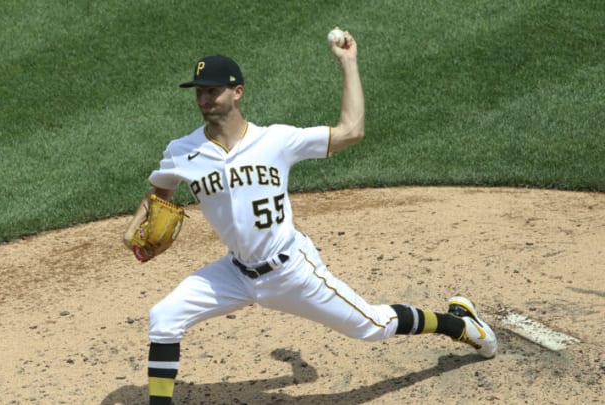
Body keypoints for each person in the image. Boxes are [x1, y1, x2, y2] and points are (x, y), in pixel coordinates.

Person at [124, 28, 497, 405]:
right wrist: (133, 230)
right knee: (164, 317)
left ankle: (462, 324)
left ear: (237, 92)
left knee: (372, 326)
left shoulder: (276, 140)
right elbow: (160, 190)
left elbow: (352, 131)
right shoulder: (182, 150)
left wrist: (348, 63)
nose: (204, 98)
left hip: (291, 272)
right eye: (199, 91)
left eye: (212, 90)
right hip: (234, 273)